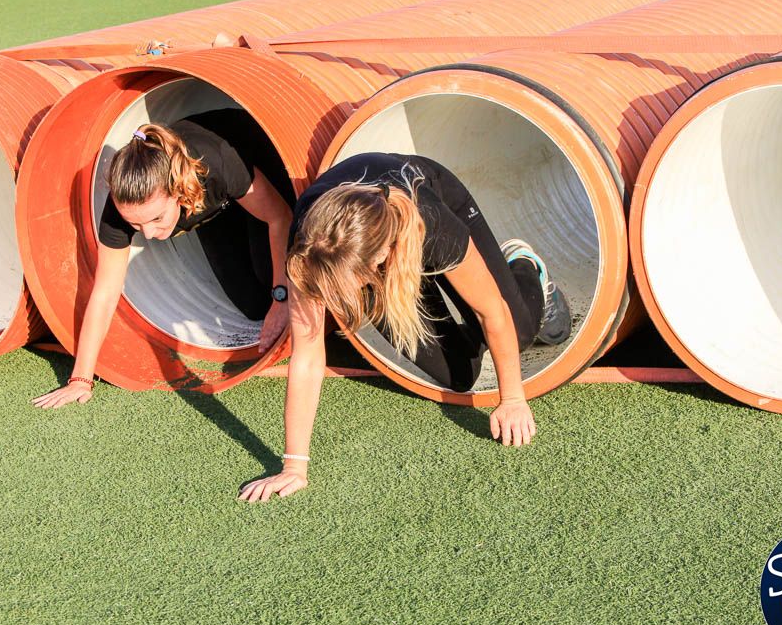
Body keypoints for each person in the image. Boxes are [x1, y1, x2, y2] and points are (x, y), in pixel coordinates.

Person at [239, 153, 571, 501]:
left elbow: (492, 312)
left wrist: (513, 398)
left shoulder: (435, 228)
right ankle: (455, 312)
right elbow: (307, 357)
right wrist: (294, 466)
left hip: (430, 207)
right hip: (362, 247)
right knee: (459, 375)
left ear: (379, 260)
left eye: (339, 290)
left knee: (515, 333)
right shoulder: (312, 248)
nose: (332, 300)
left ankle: (522, 264)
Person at [33, 111, 295, 409]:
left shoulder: (217, 162)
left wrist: (281, 297)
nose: (148, 233)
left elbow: (279, 217)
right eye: (136, 224)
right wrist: (80, 378)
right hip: (217, 207)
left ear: (178, 191)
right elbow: (105, 292)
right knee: (252, 305)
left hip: (256, 163)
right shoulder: (120, 212)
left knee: (269, 279)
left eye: (156, 218)